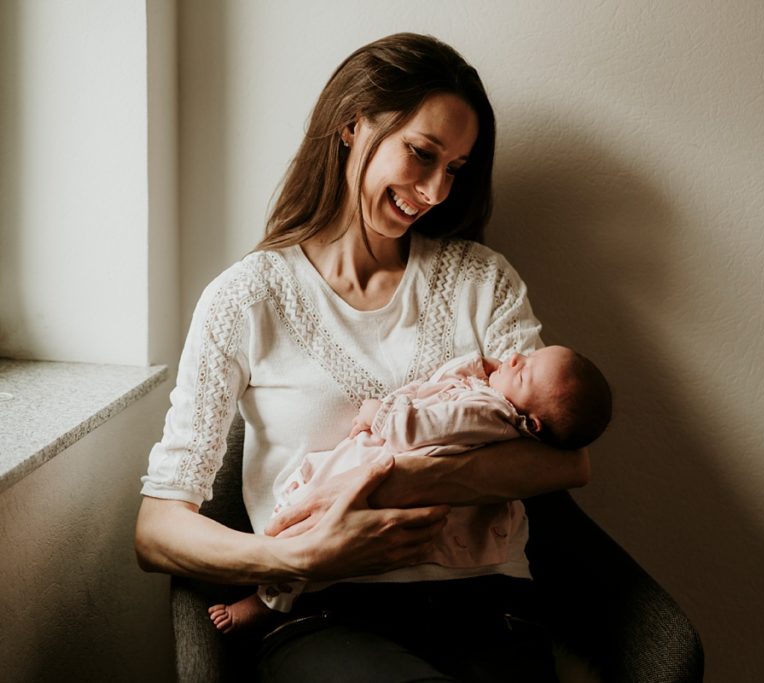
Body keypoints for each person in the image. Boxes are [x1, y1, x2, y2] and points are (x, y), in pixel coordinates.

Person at [135, 33, 592, 682]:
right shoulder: (246, 298)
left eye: (455, 169)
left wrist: (397, 483)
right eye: (421, 153)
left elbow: (565, 456)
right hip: (325, 614)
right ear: (352, 124)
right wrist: (299, 555)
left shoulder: (481, 280)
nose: (435, 191)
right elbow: (157, 530)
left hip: (489, 609)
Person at [208, 346, 612, 634]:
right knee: (300, 515)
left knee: (309, 533)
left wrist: (376, 413)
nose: (517, 357)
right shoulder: (491, 394)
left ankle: (268, 602)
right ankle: (272, 574)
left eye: (524, 372)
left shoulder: (493, 413)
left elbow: (424, 428)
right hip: (370, 464)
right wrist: (478, 364)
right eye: (529, 355)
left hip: (380, 467)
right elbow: (444, 382)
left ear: (533, 423)